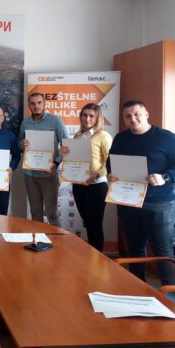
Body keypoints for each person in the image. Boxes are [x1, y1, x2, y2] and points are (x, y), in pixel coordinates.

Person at [107, 99, 175, 285]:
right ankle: (138, 286)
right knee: (135, 247)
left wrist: (165, 177)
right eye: (128, 116)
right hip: (128, 201)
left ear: (146, 114)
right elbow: (110, 161)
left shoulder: (166, 137)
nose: (133, 119)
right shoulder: (120, 138)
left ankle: (170, 292)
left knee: (162, 251)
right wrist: (110, 174)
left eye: (137, 114)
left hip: (159, 204)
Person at [59, 103, 112, 251]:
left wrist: (97, 174)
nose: (87, 119)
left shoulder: (103, 136)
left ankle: (98, 259)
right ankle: (92, 256)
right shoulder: (78, 135)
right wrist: (64, 154)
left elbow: (110, 161)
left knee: (95, 225)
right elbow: (74, 159)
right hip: (79, 185)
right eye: (84, 115)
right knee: (88, 223)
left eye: (91, 116)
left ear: (98, 118)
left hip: (96, 186)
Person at [19, 93, 68, 226]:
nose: (36, 106)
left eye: (39, 103)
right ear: (29, 105)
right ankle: (39, 238)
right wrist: (22, 144)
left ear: (44, 103)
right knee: (35, 212)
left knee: (52, 213)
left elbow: (66, 146)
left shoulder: (55, 121)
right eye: (33, 103)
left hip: (49, 175)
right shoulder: (25, 123)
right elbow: (19, 144)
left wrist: (56, 163)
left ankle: (56, 240)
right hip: (30, 175)